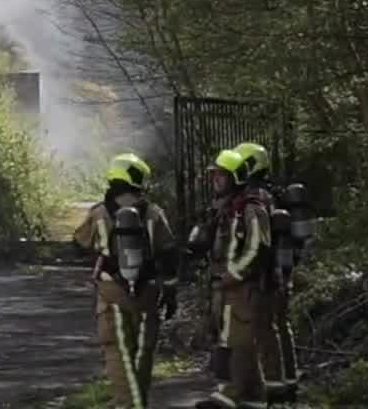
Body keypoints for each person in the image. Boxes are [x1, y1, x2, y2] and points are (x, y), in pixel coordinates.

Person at [84, 153, 180, 409]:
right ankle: (135, 401)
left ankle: (129, 404)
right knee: (143, 352)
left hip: (112, 291)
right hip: (148, 292)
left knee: (117, 351)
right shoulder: (154, 213)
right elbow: (169, 253)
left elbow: (80, 243)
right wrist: (170, 293)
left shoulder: (99, 213)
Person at [195, 148, 272, 409]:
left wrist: (235, 273)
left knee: (236, 341)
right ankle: (255, 395)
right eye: (214, 175)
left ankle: (230, 394)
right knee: (231, 338)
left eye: (221, 176)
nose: (216, 180)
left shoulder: (251, 208)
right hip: (224, 285)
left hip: (243, 287)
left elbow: (258, 248)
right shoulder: (224, 208)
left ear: (235, 177)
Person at [235, 140, 299, 402]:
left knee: (263, 328)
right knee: (281, 325)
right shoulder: (277, 193)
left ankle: (273, 387)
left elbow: (258, 240)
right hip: (283, 270)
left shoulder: (255, 197)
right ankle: (289, 381)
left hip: (264, 274)